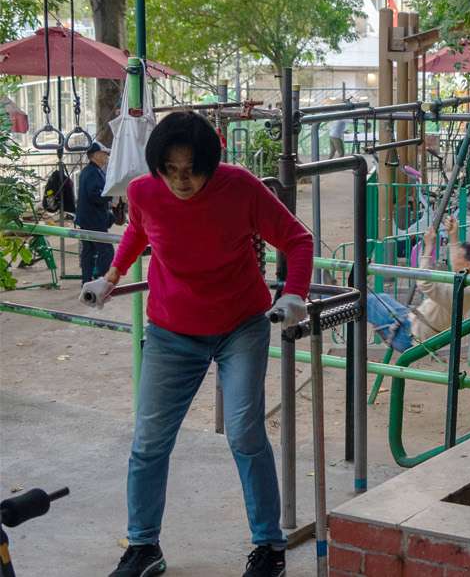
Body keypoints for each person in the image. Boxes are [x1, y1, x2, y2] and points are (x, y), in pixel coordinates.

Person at [81, 111, 313, 577]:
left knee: (245, 433)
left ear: (211, 163)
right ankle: (144, 547)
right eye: (171, 169)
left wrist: (294, 294)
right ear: (157, 166)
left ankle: (269, 549)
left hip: (240, 326)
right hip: (171, 331)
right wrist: (110, 277)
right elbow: (139, 231)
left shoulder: (241, 187)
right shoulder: (145, 191)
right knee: (148, 441)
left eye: (192, 170)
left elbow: (297, 238)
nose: (181, 181)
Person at [366, 217, 470, 353]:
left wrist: (428, 247)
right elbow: (456, 265)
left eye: (459, 255)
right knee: (382, 297)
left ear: (467, 264)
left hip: (410, 336)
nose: (455, 257)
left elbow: (424, 283)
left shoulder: (463, 291)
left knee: (367, 302)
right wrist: (453, 236)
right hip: (412, 321)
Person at [74, 141, 116, 281]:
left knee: (89, 251)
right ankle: (102, 279)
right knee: (106, 251)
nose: (106, 157)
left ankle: (86, 280)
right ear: (96, 155)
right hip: (93, 220)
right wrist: (111, 197)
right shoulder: (93, 173)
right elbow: (95, 195)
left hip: (88, 218)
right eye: (104, 154)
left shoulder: (91, 171)